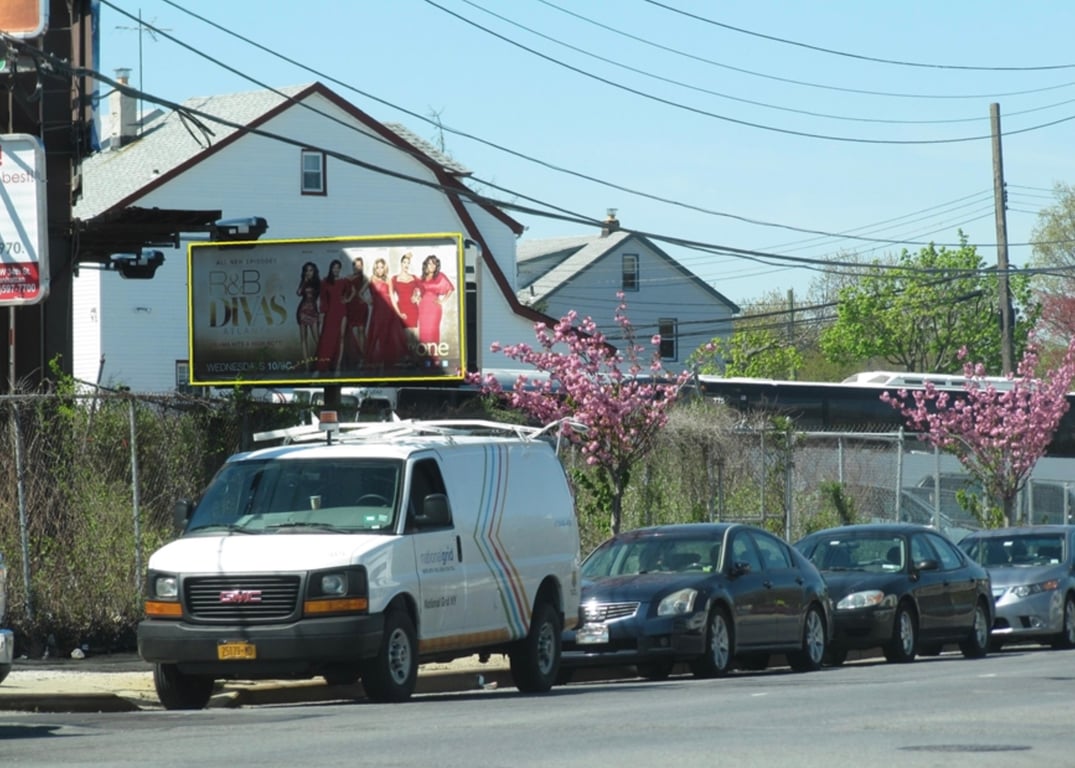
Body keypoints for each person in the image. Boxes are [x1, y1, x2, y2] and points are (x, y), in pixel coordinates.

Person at [365, 257, 407, 369]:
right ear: (375, 268)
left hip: (388, 312)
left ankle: (388, 365)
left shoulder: (388, 280)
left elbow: (392, 298)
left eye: (381, 267)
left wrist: (399, 314)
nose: (379, 270)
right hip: (377, 312)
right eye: (377, 267)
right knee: (376, 336)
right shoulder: (371, 279)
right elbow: (360, 293)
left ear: (385, 269)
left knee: (390, 337)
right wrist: (368, 300)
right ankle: (374, 364)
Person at [417, 254, 454, 364]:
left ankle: (434, 358)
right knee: (423, 331)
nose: (432, 266)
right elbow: (419, 293)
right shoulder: (421, 278)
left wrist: (442, 301)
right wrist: (417, 298)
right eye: (430, 263)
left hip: (434, 307)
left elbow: (451, 288)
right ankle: (423, 357)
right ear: (426, 265)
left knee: (433, 331)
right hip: (423, 307)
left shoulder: (440, 276)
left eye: (434, 264)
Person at [314, 259, 348, 374]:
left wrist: (347, 299)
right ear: (331, 268)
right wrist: (322, 314)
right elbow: (323, 299)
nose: (336, 269)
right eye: (334, 267)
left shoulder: (344, 281)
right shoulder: (325, 282)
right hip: (330, 313)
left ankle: (337, 366)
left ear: (340, 269)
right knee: (326, 339)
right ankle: (320, 367)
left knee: (341, 337)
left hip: (342, 311)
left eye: (338, 267)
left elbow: (352, 291)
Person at [390, 251, 420, 362]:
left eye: (408, 263)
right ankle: (408, 360)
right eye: (404, 262)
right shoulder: (394, 278)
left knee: (414, 338)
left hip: (413, 309)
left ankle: (414, 361)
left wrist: (417, 296)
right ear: (401, 263)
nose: (406, 265)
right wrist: (398, 313)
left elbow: (422, 289)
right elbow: (392, 298)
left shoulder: (414, 278)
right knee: (406, 337)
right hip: (402, 309)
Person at [342, 255, 371, 369]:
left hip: (361, 306)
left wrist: (368, 301)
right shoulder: (347, 278)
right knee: (349, 333)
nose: (357, 267)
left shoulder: (365, 278)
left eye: (360, 265)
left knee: (361, 331)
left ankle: (364, 358)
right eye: (355, 265)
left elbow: (366, 292)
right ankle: (354, 358)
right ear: (352, 266)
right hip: (350, 306)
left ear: (362, 266)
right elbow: (344, 292)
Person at [295, 261, 321, 371]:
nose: (309, 272)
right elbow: (298, 293)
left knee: (317, 339)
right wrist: (304, 282)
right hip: (302, 311)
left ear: (314, 271)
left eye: (311, 270)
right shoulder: (303, 282)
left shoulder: (318, 282)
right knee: (303, 339)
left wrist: (320, 312)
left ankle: (322, 363)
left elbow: (320, 298)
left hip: (313, 311)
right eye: (307, 270)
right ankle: (306, 366)